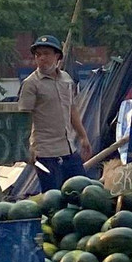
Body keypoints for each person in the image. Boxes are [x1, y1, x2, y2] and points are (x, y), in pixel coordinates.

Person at [18, 36, 92, 192]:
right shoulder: (31, 84)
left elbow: (72, 109)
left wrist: (83, 136)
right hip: (45, 152)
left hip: (69, 150)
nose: (42, 58)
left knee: (82, 192)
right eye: (38, 55)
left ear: (57, 56)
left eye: (46, 53)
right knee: (53, 198)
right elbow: (24, 117)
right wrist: (26, 148)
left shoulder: (66, 79)